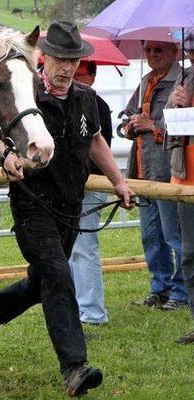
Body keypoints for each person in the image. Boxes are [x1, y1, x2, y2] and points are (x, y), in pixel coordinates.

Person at [0, 21, 134, 397]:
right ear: (45, 58)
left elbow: (95, 143)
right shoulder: (29, 95)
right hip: (33, 205)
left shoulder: (85, 99)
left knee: (43, 282)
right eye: (60, 59)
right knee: (59, 275)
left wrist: (119, 181)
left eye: (72, 60)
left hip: (70, 206)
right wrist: (6, 155)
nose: (66, 68)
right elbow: (2, 132)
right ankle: (74, 367)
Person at [122, 41, 189, 310]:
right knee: (151, 235)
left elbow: (185, 124)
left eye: (157, 50)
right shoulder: (146, 80)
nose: (151, 55)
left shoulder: (183, 81)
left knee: (175, 236)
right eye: (148, 50)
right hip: (142, 169)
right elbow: (126, 118)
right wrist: (131, 125)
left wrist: (151, 124)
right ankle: (159, 287)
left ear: (175, 52)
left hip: (169, 170)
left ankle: (181, 292)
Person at [68, 60, 112, 325]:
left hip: (90, 183)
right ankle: (80, 306)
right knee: (74, 249)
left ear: (92, 77)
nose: (73, 77)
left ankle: (93, 311)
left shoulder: (97, 105)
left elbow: (96, 145)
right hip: (73, 186)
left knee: (84, 248)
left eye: (79, 73)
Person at [166, 28, 194, 344]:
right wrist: (175, 106)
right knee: (189, 255)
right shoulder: (182, 80)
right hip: (182, 178)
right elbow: (166, 129)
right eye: (189, 50)